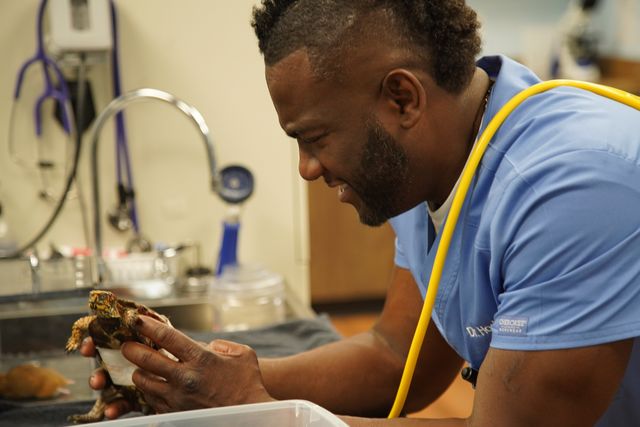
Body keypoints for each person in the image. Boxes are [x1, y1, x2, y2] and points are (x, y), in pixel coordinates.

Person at [80, 0, 640, 425]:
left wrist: (265, 417)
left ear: (402, 99)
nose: (307, 168)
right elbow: (394, 357)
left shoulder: (573, 188)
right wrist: (199, 380)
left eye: (315, 137)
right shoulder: (432, 166)